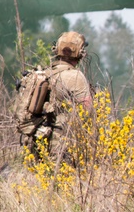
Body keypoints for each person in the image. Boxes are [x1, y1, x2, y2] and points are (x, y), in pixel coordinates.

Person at [14, 31, 93, 160]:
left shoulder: (45, 73)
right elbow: (87, 111)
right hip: (62, 145)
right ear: (80, 53)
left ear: (57, 50)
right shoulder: (75, 76)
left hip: (37, 141)